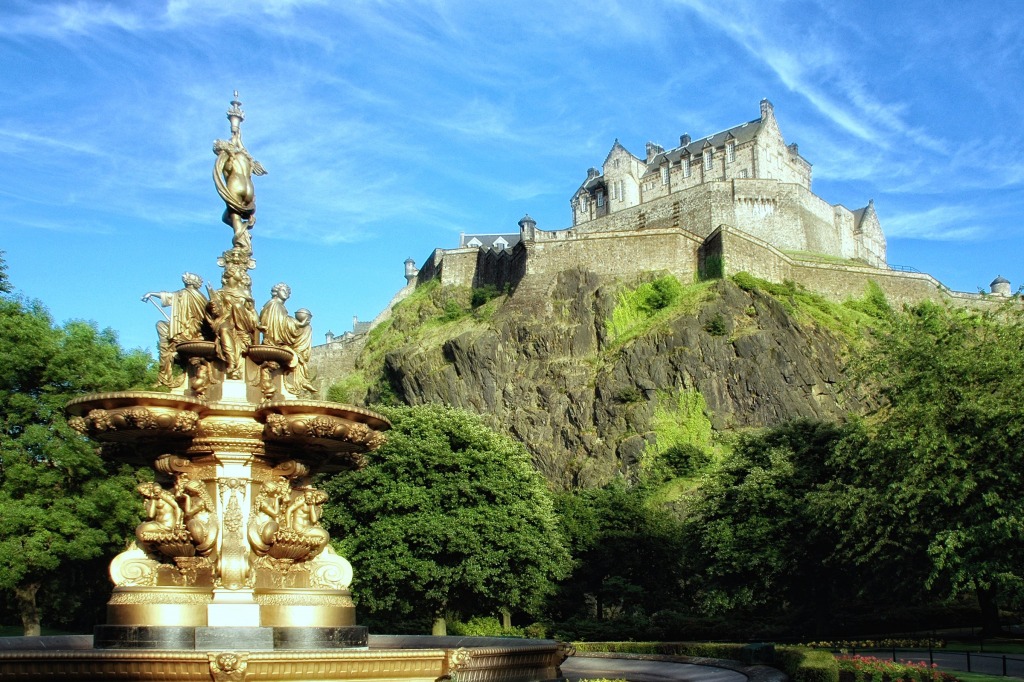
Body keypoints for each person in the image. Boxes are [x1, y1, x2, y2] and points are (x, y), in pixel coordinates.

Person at [142, 273, 207, 387]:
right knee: (162, 327)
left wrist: (151, 293)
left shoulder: (185, 293)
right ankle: (165, 373)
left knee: (161, 327)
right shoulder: (200, 296)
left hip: (189, 331)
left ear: (188, 281)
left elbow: (170, 296)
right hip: (193, 330)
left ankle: (164, 375)